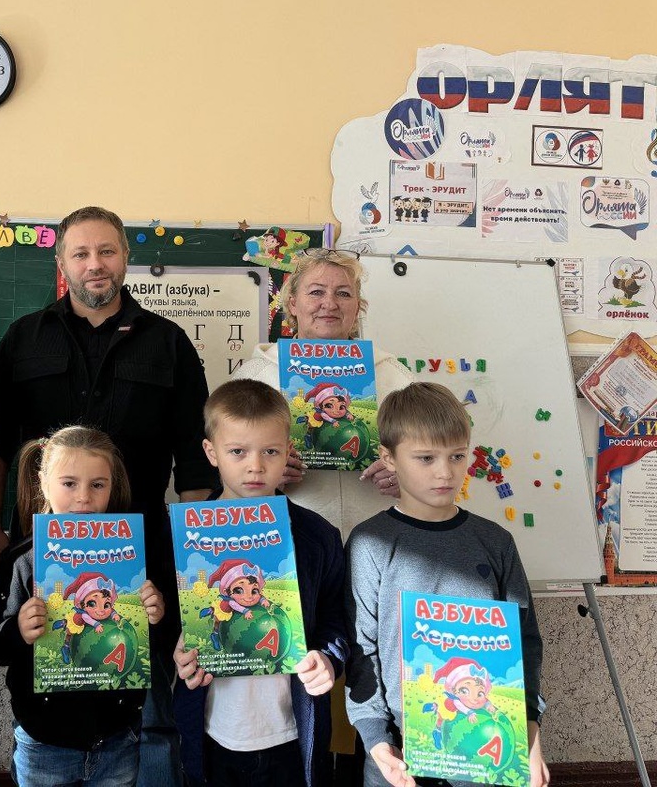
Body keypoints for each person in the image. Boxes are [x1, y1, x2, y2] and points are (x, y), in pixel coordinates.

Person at [0, 205, 214, 784]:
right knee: (49, 682)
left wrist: (199, 562)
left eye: (107, 251)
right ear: (61, 263)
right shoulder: (23, 338)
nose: (95, 264)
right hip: (42, 546)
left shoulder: (168, 343)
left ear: (125, 258)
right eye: (80, 253)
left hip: (149, 551)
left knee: (152, 712)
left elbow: (195, 459)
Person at [345, 383, 548, 787]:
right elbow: (360, 647)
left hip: (487, 747)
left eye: (457, 456)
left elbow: (524, 643)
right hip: (398, 751)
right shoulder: (370, 543)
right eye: (426, 458)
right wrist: (377, 740)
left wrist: (529, 736)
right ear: (389, 458)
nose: (445, 472)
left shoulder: (496, 542)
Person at [172, 380, 348, 787]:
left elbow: (336, 619)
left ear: (288, 451)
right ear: (211, 453)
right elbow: (164, 622)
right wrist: (176, 651)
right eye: (238, 451)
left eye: (270, 451)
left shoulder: (317, 537)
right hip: (212, 731)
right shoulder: (182, 536)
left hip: (291, 734)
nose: (255, 466)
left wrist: (328, 659)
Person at [0, 426, 165, 786]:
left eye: (98, 484)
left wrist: (155, 616)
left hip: (117, 738)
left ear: (112, 486)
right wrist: (18, 631)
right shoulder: (21, 559)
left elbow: (147, 646)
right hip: (44, 742)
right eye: (69, 483)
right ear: (43, 483)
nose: (84, 498)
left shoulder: (132, 558)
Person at [232, 248, 414, 537]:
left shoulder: (396, 376)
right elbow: (221, 459)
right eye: (316, 292)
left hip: (380, 536)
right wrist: (261, 473)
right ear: (293, 303)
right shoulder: (254, 376)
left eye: (343, 293)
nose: (329, 303)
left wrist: (408, 474)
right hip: (289, 536)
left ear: (358, 307)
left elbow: (437, 450)